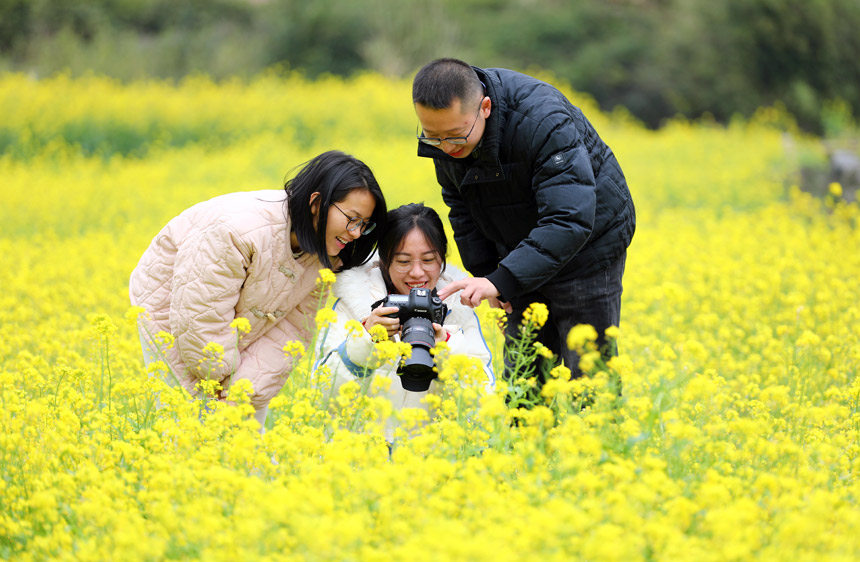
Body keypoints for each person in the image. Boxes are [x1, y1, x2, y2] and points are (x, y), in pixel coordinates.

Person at [412, 58, 635, 381]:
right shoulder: (448, 139)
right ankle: (527, 433)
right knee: (524, 374)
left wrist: (501, 280)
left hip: (587, 247)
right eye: (433, 137)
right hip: (518, 246)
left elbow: (568, 219)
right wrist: (492, 280)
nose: (445, 148)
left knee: (589, 374)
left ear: (485, 107)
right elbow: (463, 209)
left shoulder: (542, 120)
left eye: (456, 136)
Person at [129, 150, 387, 426]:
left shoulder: (328, 253)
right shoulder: (236, 231)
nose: (356, 233)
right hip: (171, 306)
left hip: (236, 315)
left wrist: (241, 391)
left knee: (243, 425)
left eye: (364, 225)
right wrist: (217, 377)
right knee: (184, 422)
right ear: (316, 203)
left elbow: (292, 330)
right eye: (351, 219)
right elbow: (199, 316)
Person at [315, 203, 495, 436]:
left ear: (442, 259)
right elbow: (322, 393)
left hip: (429, 462)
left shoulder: (457, 309)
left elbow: (482, 406)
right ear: (384, 261)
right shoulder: (355, 305)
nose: (417, 273)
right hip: (362, 457)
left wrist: (446, 350)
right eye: (403, 261)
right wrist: (366, 340)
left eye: (428, 260)